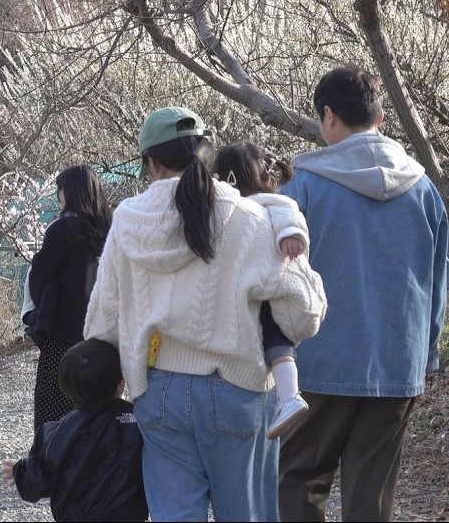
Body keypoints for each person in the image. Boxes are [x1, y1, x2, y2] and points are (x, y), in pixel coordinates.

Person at [84, 106, 327, 521]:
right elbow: (303, 313)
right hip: (236, 388)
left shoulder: (127, 221)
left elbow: (102, 320)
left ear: (151, 162)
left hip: (157, 391)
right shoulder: (250, 216)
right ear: (204, 155)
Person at [276, 67, 448, 522]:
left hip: (318, 362)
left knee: (300, 478)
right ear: (382, 115)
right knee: (372, 492)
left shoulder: (302, 188)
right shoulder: (425, 189)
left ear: (328, 115)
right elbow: (435, 283)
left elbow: (279, 280)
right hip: (398, 360)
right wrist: (426, 356)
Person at [215, 141, 312, 439]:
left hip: (269, 286)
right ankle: (287, 397)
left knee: (276, 341)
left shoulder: (271, 202)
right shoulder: (232, 208)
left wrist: (291, 236)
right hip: (252, 287)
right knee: (270, 340)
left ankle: (289, 397)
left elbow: (291, 217)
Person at [0, 338, 149, 522]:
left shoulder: (56, 432)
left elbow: (38, 481)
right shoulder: (138, 421)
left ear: (65, 391)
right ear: (121, 384)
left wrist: (20, 470)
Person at [25, 165, 112, 450]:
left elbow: (40, 274)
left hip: (62, 331)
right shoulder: (109, 227)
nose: (58, 196)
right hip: (102, 329)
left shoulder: (63, 229)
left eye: (60, 190)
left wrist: (38, 306)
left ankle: (52, 458)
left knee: (54, 398)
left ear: (70, 192)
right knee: (99, 396)